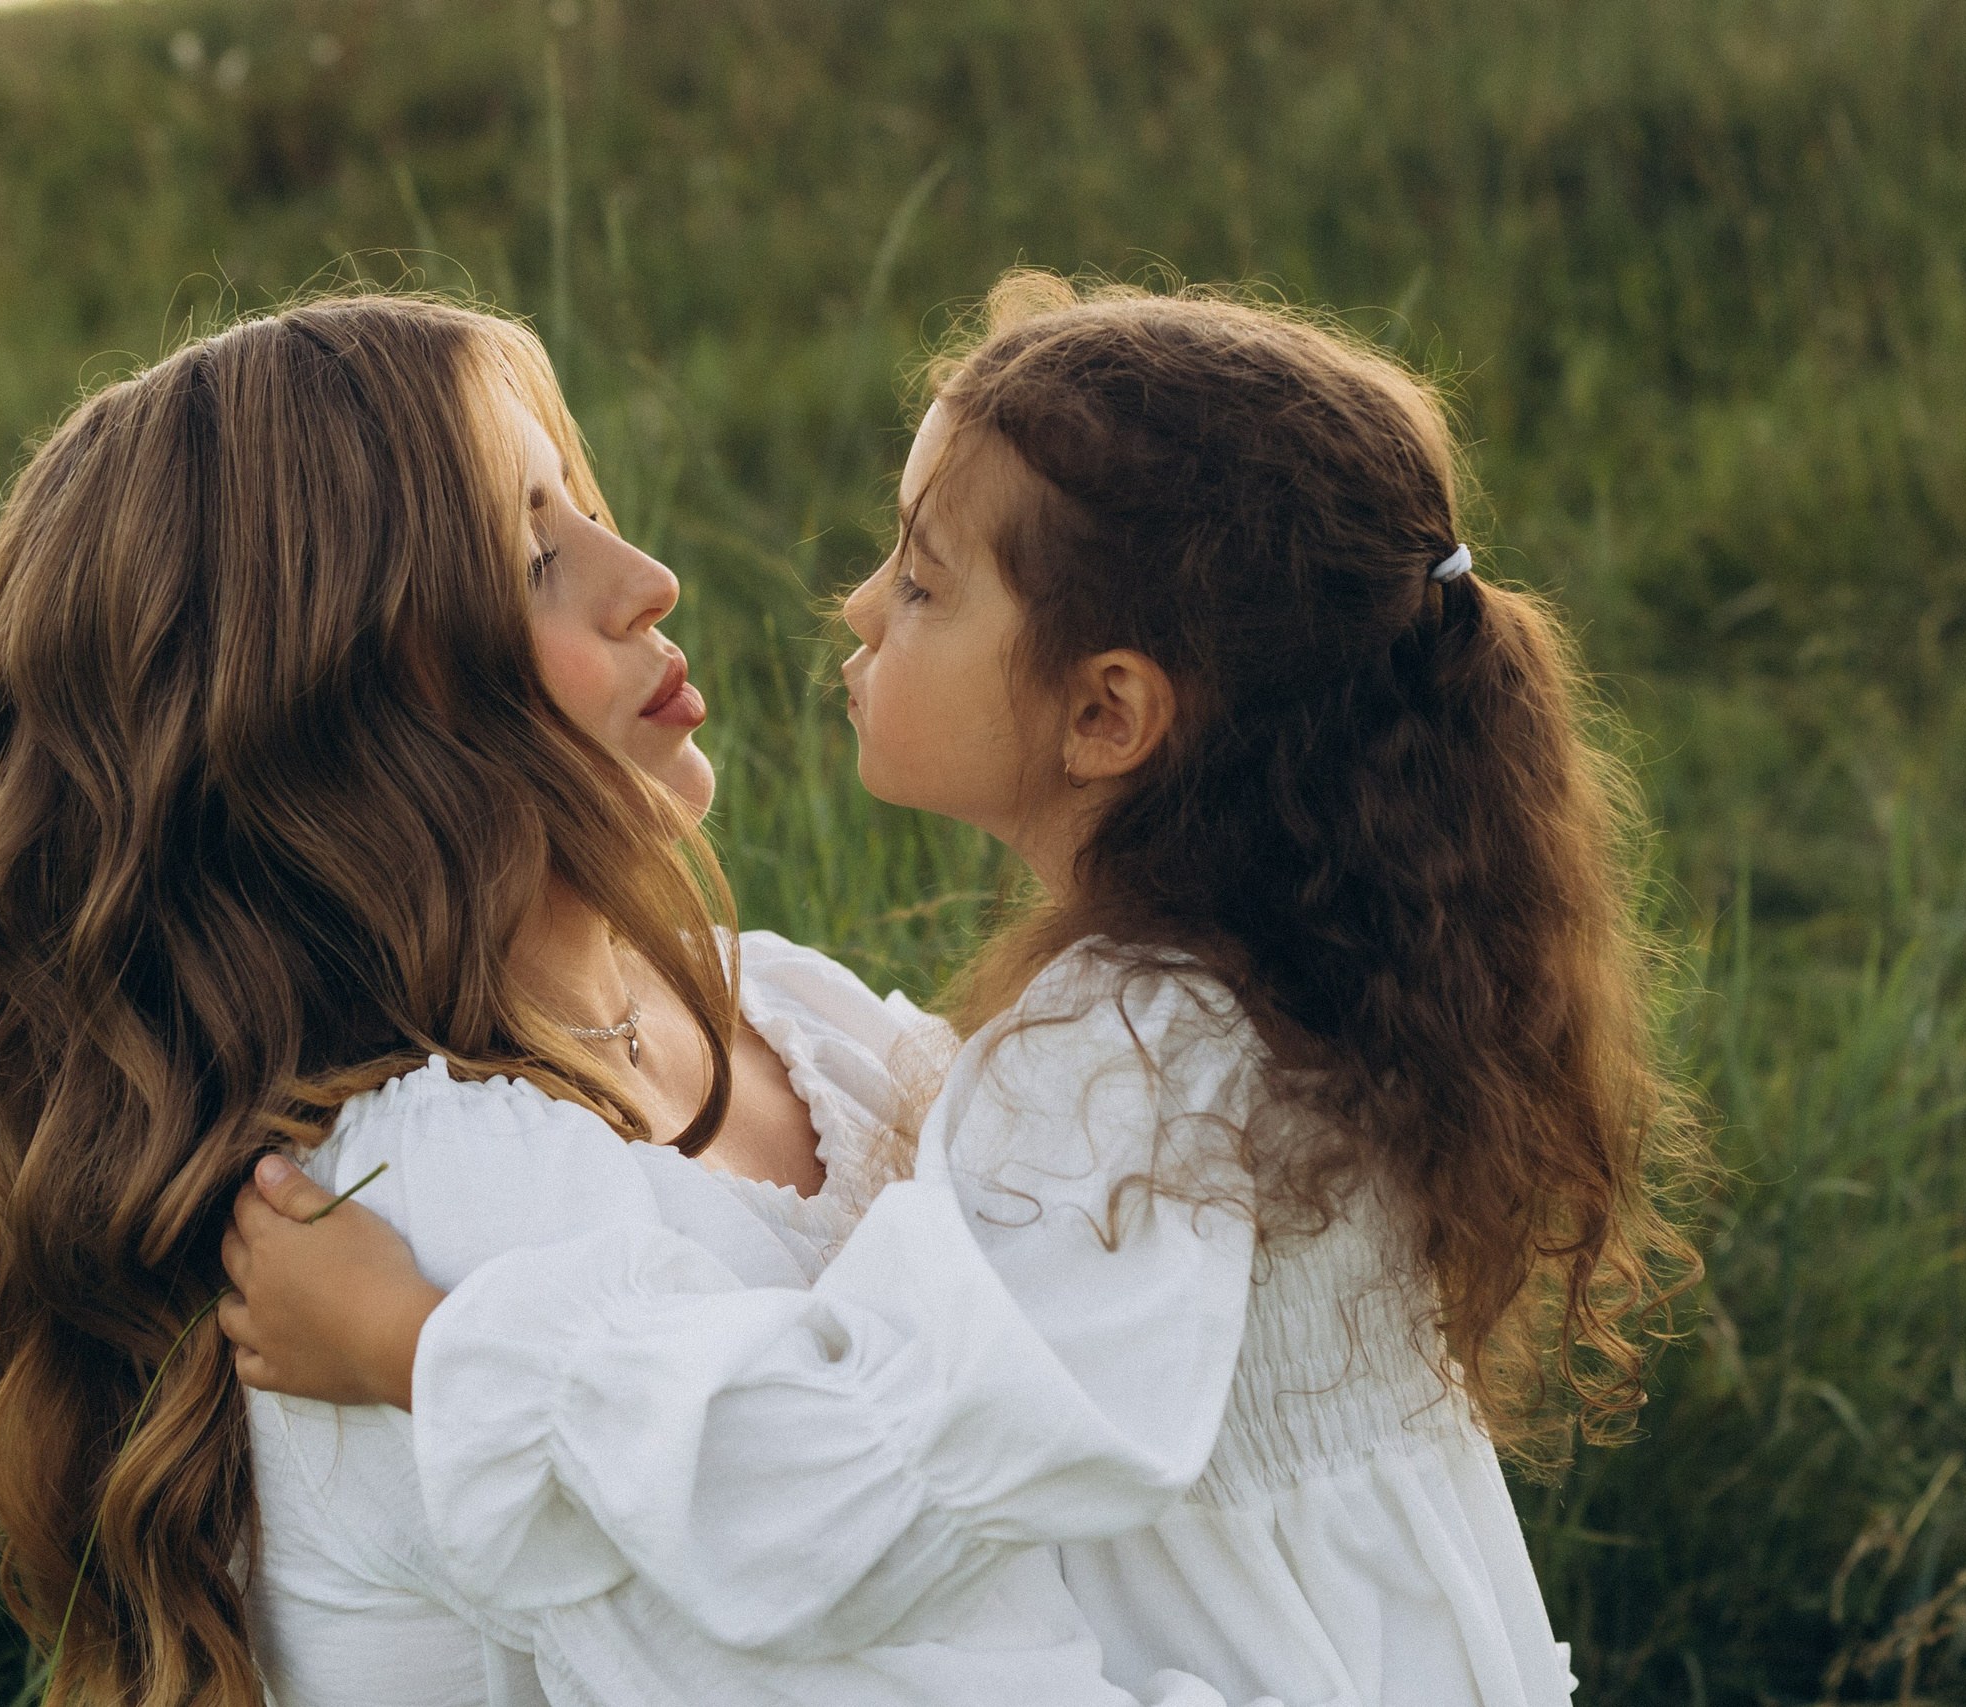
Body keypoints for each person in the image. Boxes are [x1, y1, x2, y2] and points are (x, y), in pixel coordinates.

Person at [219, 273, 1706, 1707]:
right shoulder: (1255, 1005)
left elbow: (850, 1473)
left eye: (921, 580)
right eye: (542, 548)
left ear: (1108, 710)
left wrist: (426, 1348)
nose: (857, 607)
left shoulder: (1126, 1065)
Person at [0, 290, 1223, 1707]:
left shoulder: (773, 1009)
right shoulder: (437, 1204)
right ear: (338, 711)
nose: (647, 574)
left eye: (580, 503)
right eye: (533, 556)